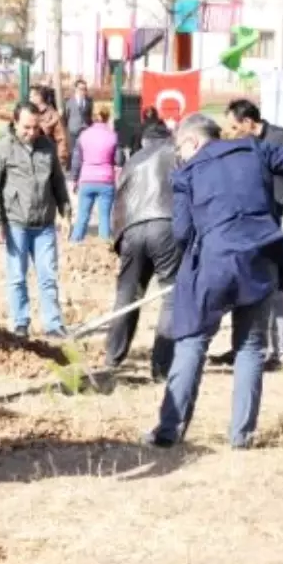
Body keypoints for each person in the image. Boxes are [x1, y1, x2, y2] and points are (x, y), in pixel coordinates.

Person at [146, 114, 283, 450]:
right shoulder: (255, 150)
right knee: (250, 347)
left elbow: (182, 233)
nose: (180, 155)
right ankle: (241, 435)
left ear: (192, 142)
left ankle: (169, 431)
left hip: (214, 264)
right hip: (260, 260)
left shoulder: (187, 173)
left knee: (192, 343)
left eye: (180, 149)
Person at [217, 98, 283, 372]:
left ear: (248, 123)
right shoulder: (239, 146)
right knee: (245, 286)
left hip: (277, 224)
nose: (229, 132)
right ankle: (244, 344)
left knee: (276, 290)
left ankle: (280, 352)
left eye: (233, 126)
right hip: (248, 225)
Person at [0, 101, 73, 338]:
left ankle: (53, 323)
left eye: (35, 127)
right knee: (17, 276)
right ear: (14, 122)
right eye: (26, 127)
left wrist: (66, 214)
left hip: (44, 224)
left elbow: (58, 183)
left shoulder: (47, 147)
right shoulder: (2, 149)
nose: (31, 133)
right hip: (15, 224)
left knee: (48, 276)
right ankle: (20, 322)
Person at [104, 120, 179, 380]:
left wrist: (119, 239)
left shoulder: (132, 161)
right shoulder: (176, 155)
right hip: (166, 225)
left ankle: (112, 356)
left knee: (128, 293)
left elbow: (119, 201)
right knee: (171, 294)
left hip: (132, 229)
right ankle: (162, 367)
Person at [69, 104, 121, 242]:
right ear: (107, 117)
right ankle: (105, 247)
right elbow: (118, 159)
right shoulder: (112, 136)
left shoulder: (83, 135)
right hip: (106, 180)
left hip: (86, 179)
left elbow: (76, 159)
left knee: (82, 216)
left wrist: (74, 179)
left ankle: (75, 244)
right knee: (104, 218)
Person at [30, 85, 69, 168]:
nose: (30, 99)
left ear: (39, 97)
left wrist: (61, 158)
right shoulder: (29, 112)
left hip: (46, 158)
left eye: (31, 96)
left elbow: (61, 138)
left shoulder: (52, 115)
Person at [64, 78, 94, 167]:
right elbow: (66, 116)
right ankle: (72, 168)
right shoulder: (69, 102)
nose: (83, 91)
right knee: (73, 150)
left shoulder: (89, 102)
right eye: (81, 89)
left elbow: (89, 116)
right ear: (76, 89)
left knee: (84, 150)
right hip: (73, 129)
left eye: (85, 89)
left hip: (85, 129)